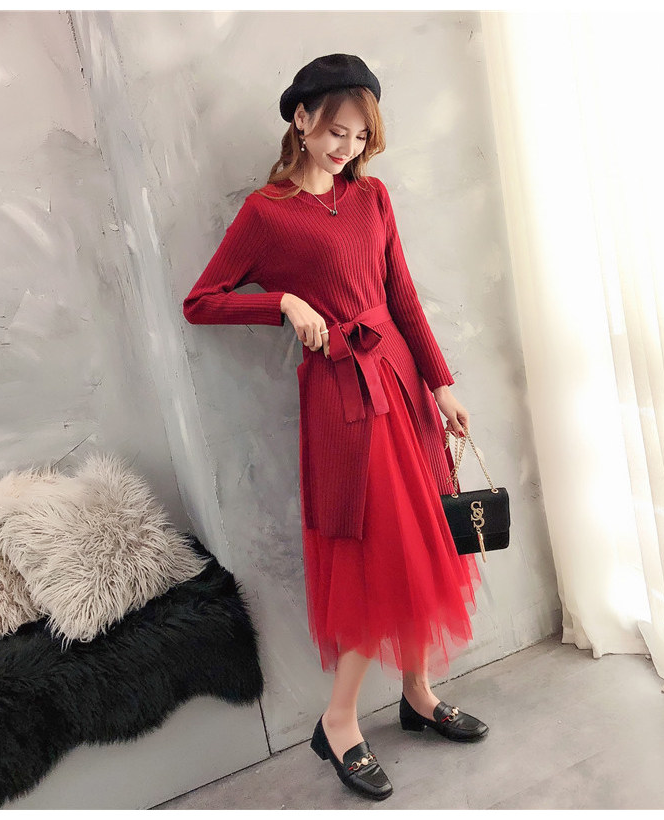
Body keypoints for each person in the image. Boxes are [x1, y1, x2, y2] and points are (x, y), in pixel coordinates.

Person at [183, 53, 487, 802]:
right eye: (334, 131)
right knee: (373, 553)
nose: (346, 147)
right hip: (343, 398)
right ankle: (340, 720)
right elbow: (201, 300)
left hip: (402, 385)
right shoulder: (266, 213)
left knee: (425, 544)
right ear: (301, 118)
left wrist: (442, 383)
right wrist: (283, 303)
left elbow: (402, 297)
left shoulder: (372, 197)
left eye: (360, 135)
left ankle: (417, 693)